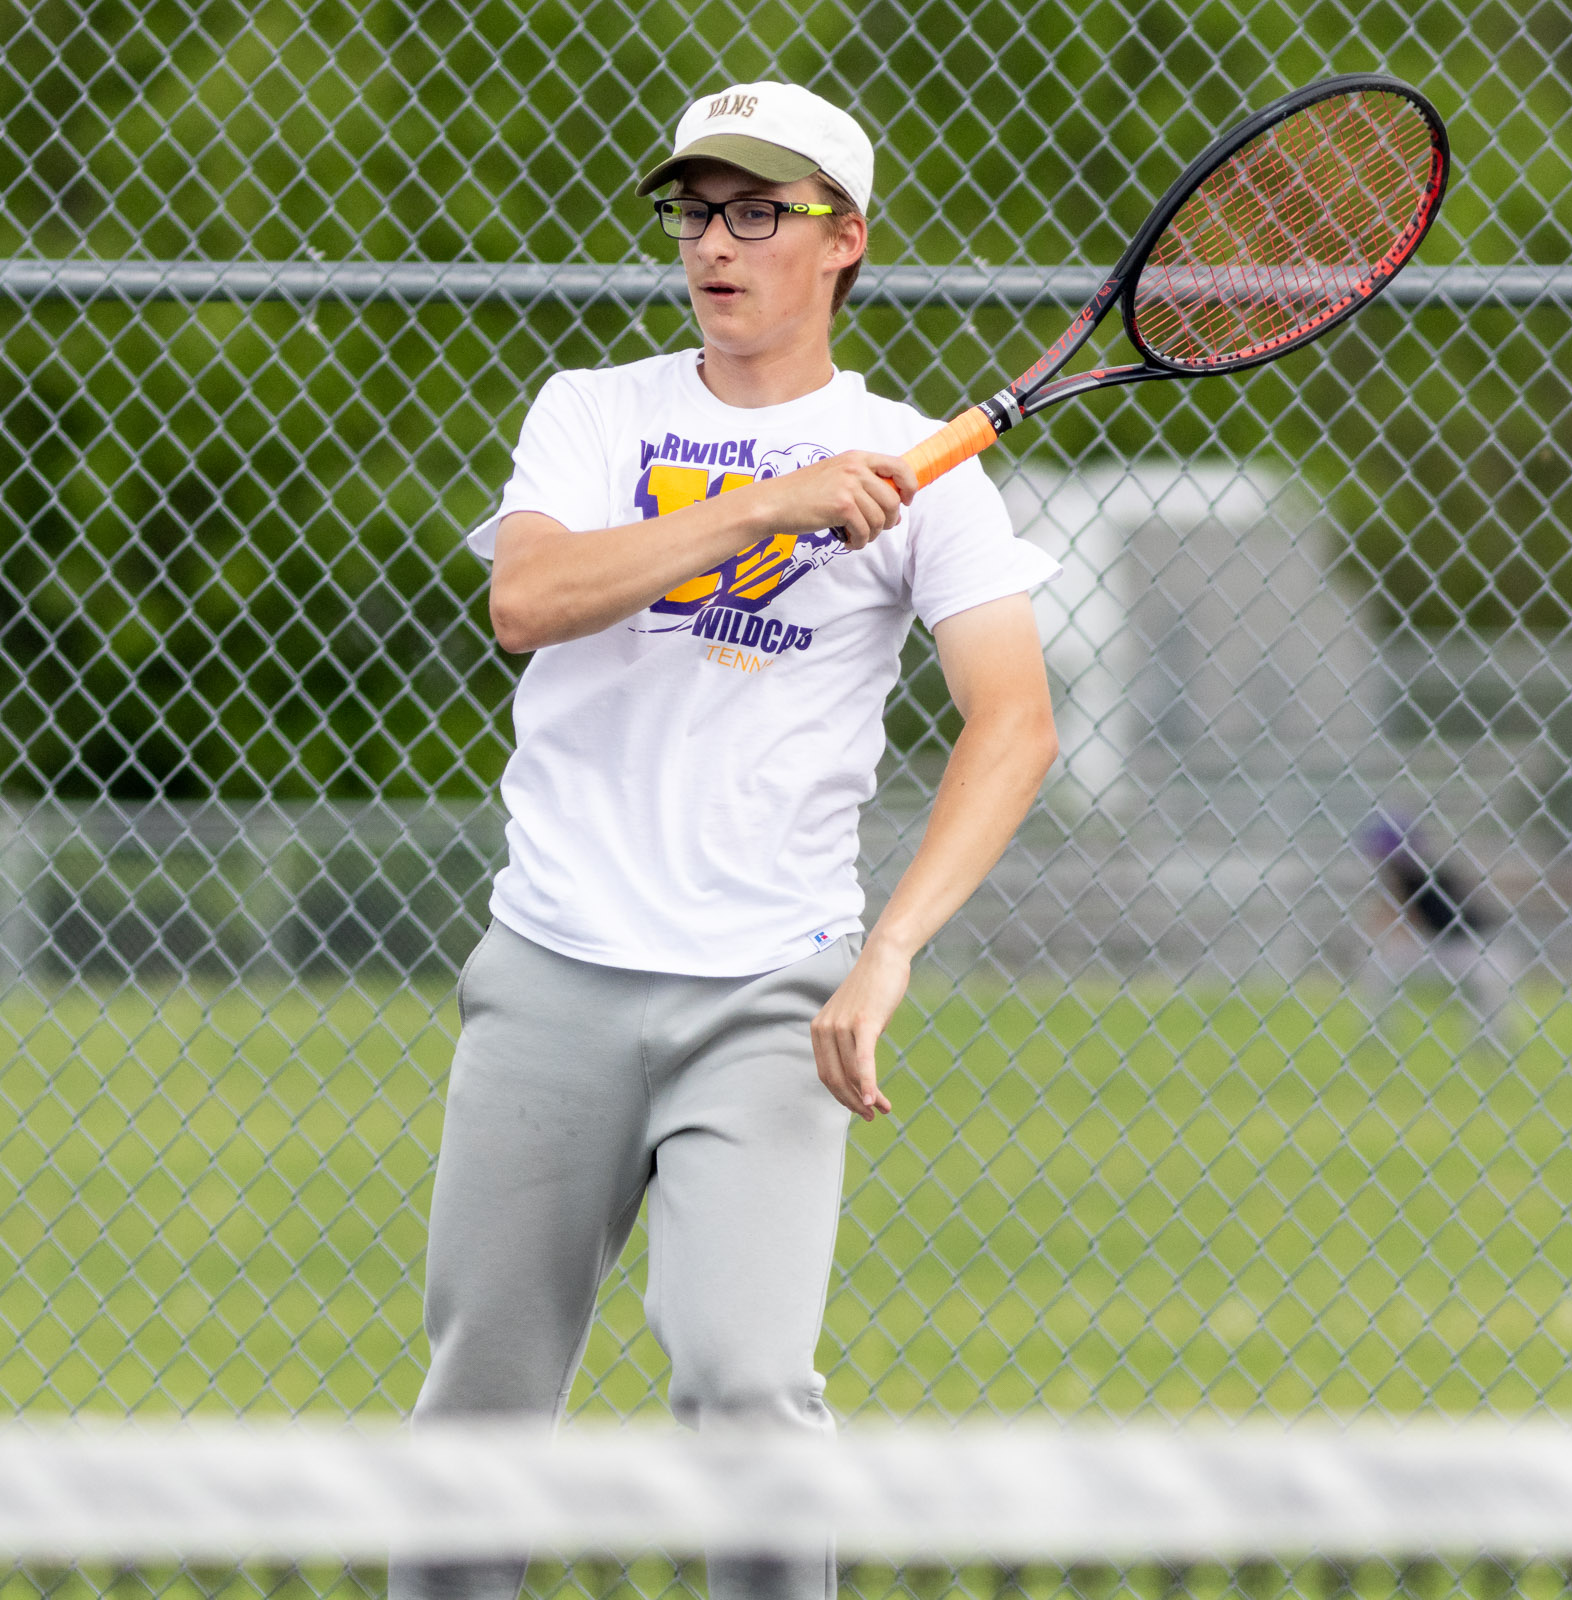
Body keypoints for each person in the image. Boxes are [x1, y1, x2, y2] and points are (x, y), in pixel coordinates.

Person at [398, 82, 1061, 1600]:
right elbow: (530, 603)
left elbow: (1012, 723)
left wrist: (886, 954)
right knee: (478, 1416)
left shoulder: (917, 465)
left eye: (761, 212)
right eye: (699, 211)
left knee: (746, 1394)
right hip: (553, 977)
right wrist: (765, 507)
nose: (718, 243)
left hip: (767, 996)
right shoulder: (595, 411)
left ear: (845, 241)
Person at [1353, 812, 1520, 1048]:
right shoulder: (1407, 876)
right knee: (1379, 965)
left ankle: (1490, 1039)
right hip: (1442, 949)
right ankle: (1378, 1032)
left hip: (1470, 947)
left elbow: (1401, 921)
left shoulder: (1419, 876)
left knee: (1488, 981)